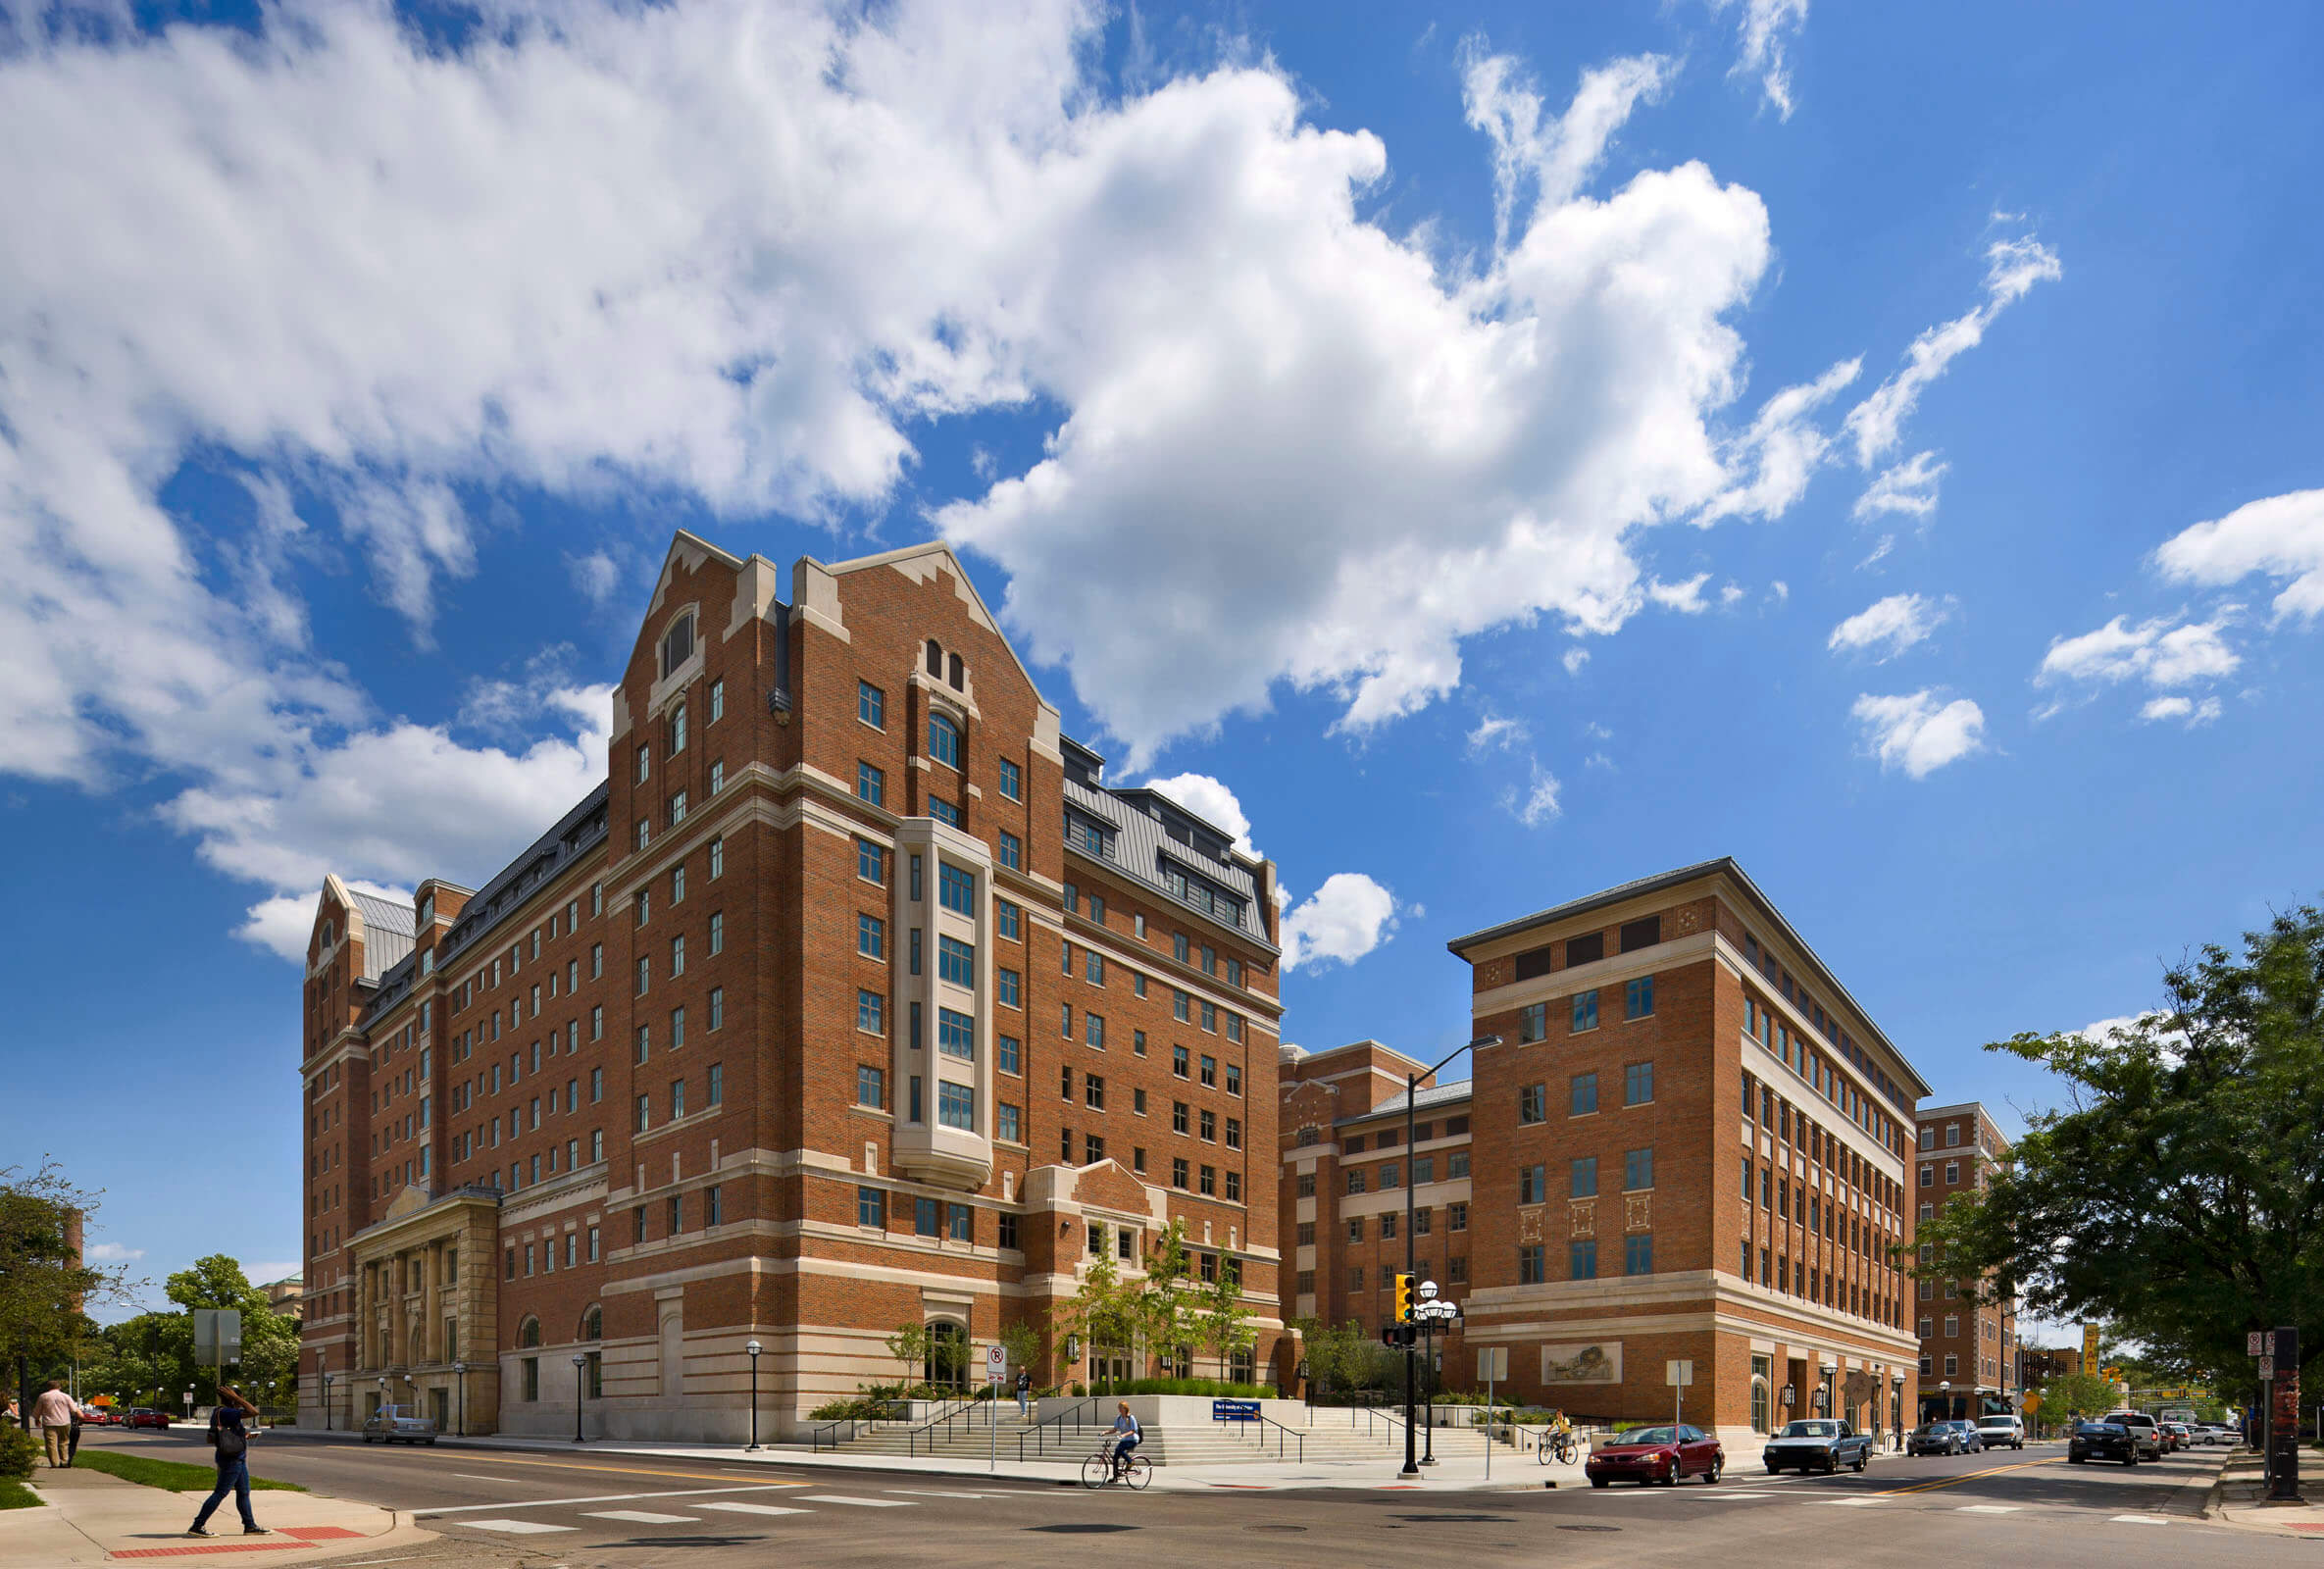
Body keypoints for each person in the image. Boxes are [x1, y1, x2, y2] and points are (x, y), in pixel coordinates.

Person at [187, 1386, 269, 1539]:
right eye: (239, 1398)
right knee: (220, 1492)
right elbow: (254, 1412)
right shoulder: (227, 1412)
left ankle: (250, 1526)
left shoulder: (222, 1412)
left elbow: (228, 1432)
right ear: (232, 1398)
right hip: (232, 1459)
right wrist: (236, 1398)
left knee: (244, 1492)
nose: (240, 1402)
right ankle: (197, 1525)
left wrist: (243, 1436)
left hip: (237, 1457)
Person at [32, 1381, 76, 1468]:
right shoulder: (66, 1396)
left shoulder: (43, 1396)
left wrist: (37, 1419)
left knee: (51, 1443)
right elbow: (73, 1410)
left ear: (48, 1387)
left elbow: (37, 1410)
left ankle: (55, 1463)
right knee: (64, 1442)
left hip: (49, 1423)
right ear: (59, 1387)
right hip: (64, 1422)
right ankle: (64, 1461)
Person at [1107, 1401, 1140, 1480]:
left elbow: (1133, 1430)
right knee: (1115, 1457)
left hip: (1132, 1439)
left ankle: (1130, 1462)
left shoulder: (1131, 1417)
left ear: (1125, 1408)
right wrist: (1105, 1432)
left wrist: (1123, 1435)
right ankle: (1115, 1476)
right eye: (1118, 1408)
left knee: (1119, 1449)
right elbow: (1114, 1430)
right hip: (1124, 1440)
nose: (1119, 1409)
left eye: (1121, 1408)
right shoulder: (1119, 1418)